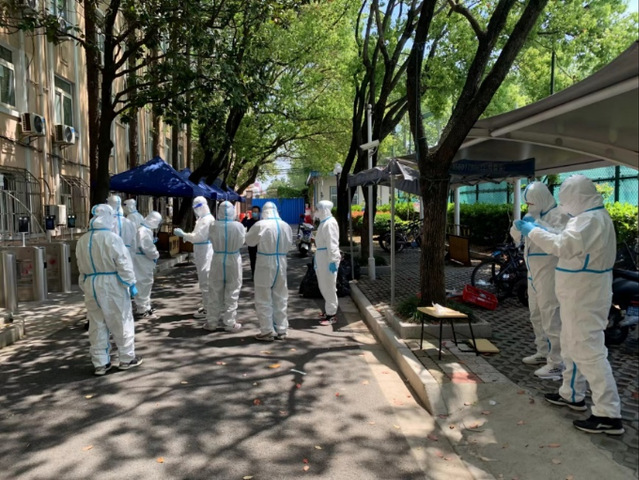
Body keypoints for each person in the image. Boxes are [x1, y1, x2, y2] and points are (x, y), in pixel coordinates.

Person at [515, 174, 624, 435]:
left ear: (577, 197)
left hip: (585, 295)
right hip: (578, 294)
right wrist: (540, 228)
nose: (563, 205)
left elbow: (562, 245)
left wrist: (533, 231)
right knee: (571, 345)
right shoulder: (587, 218)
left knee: (589, 350)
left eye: (566, 199)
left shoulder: (591, 220)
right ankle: (571, 394)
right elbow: (565, 237)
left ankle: (608, 414)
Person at [510, 182, 568, 379]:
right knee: (536, 314)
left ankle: (557, 362)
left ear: (542, 198)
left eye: (532, 203)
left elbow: (563, 240)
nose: (529, 207)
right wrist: (517, 228)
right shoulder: (532, 214)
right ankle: (543, 351)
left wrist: (539, 227)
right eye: (527, 203)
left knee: (550, 314)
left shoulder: (561, 215)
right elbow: (517, 239)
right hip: (532, 271)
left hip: (550, 270)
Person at [76, 204, 142, 375]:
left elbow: (80, 266)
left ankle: (100, 362)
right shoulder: (112, 238)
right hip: (113, 283)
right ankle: (126, 358)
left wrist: (85, 284)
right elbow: (123, 262)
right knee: (121, 320)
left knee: (96, 323)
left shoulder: (82, 240)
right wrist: (130, 283)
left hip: (91, 283)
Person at [245, 201, 293, 341]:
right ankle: (281, 329)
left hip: (265, 261)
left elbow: (250, 241)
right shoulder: (285, 226)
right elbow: (289, 245)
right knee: (281, 296)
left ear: (264, 212)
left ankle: (267, 330)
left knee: (263, 296)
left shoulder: (261, 225)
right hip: (281, 261)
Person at [204, 201, 245, 332]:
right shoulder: (239, 226)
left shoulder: (213, 225)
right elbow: (242, 241)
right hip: (233, 259)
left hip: (218, 258)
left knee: (214, 291)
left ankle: (211, 322)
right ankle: (229, 322)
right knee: (232, 291)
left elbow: (209, 238)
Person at [173, 197, 215, 318]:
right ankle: (207, 305)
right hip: (201, 252)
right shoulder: (202, 219)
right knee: (203, 279)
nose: (195, 210)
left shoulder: (207, 220)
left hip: (205, 253)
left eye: (197, 208)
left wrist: (184, 235)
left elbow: (198, 237)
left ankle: (208, 309)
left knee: (206, 280)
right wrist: (187, 236)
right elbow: (196, 236)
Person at [313, 200, 341, 325]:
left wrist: (333, 260)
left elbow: (332, 243)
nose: (315, 211)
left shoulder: (330, 223)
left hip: (327, 258)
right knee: (323, 285)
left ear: (323, 210)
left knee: (329, 286)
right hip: (322, 257)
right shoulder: (324, 223)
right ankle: (328, 310)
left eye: (317, 209)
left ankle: (332, 315)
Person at [133, 211, 162, 319]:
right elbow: (147, 248)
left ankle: (145, 306)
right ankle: (142, 309)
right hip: (142, 261)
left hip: (141, 260)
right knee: (144, 284)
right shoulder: (143, 231)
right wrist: (156, 255)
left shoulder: (142, 229)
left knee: (144, 284)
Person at [107, 194, 137, 259]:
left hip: (111, 257)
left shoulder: (107, 222)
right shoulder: (129, 222)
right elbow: (134, 242)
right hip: (127, 256)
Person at [241, 205, 261, 280]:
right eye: (253, 211)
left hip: (259, 244)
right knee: (253, 260)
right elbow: (242, 224)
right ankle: (253, 274)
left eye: (256, 212)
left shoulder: (261, 222)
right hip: (251, 244)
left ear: (259, 213)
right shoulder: (249, 221)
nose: (254, 213)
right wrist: (246, 217)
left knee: (260, 260)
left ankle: (259, 275)